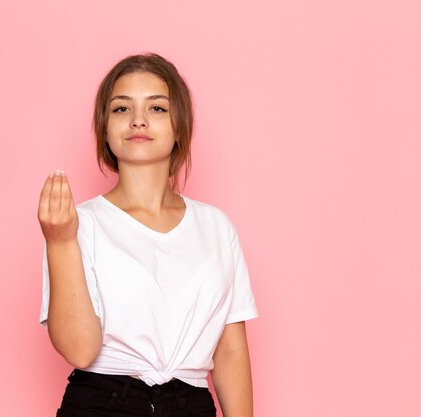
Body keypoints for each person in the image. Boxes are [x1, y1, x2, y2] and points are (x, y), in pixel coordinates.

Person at [38, 53, 258, 417]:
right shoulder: (80, 223)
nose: (138, 119)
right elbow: (79, 350)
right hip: (102, 403)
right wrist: (59, 241)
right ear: (104, 127)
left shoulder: (216, 227)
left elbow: (230, 349)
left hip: (190, 405)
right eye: (121, 109)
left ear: (179, 125)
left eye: (157, 108)